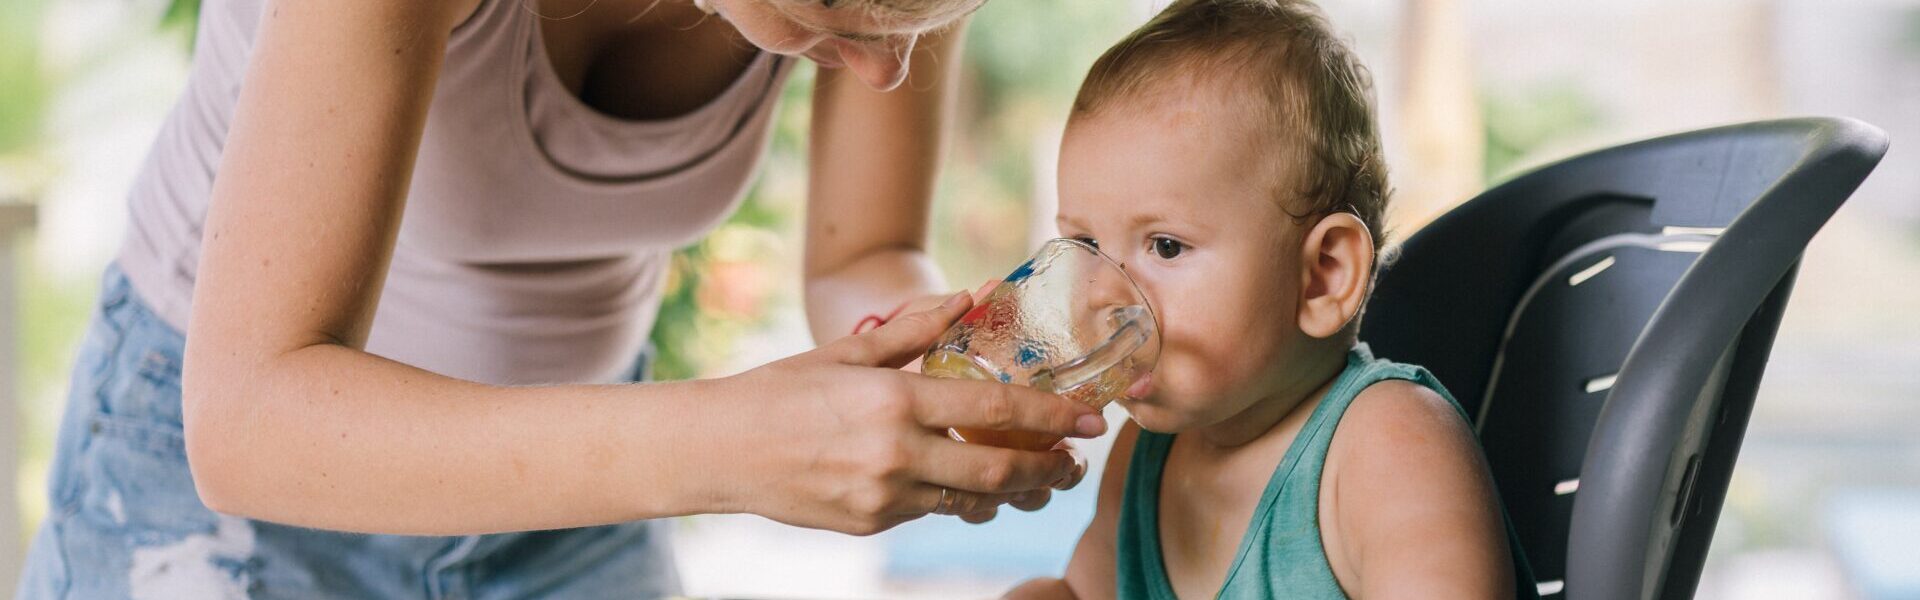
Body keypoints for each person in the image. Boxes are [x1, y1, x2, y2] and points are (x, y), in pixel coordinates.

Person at [19, 0, 1102, 597]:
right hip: (225, 477)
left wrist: (940, 359)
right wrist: (734, 448)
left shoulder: (878, 11)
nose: (876, 73)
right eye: (838, 14)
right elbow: (246, 423)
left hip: (574, 486)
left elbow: (863, 249)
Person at [1007, 0, 1537, 596]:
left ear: (1323, 276)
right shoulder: (1144, 456)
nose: (1102, 294)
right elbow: (1084, 592)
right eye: (1084, 243)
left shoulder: (1389, 449)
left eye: (1166, 246)